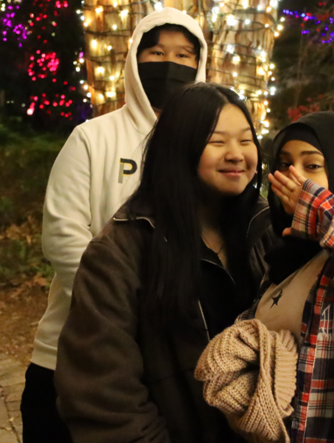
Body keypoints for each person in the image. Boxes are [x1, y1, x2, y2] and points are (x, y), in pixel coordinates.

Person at [21, 7, 208, 443]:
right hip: (72, 355)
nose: (171, 64)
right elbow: (63, 237)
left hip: (170, 363)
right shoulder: (92, 138)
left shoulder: (209, 147)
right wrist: (125, 306)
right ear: (133, 60)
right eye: (157, 52)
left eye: (184, 55)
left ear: (200, 65)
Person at [53, 83, 275, 443]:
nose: (236, 154)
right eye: (217, 141)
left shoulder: (270, 231)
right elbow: (103, 396)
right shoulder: (119, 252)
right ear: (178, 149)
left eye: (246, 140)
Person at [199, 112, 334, 442]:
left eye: (312, 166)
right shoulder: (283, 254)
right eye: (284, 164)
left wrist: (321, 208)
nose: (295, 177)